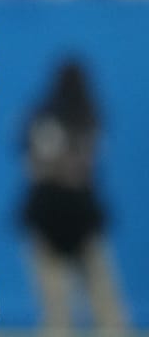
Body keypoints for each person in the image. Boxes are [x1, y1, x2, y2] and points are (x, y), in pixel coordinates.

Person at [21, 59, 127, 336]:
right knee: (56, 300)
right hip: (50, 214)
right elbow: (38, 163)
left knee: (101, 295)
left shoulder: (86, 117)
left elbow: (77, 165)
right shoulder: (50, 117)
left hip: (78, 215)